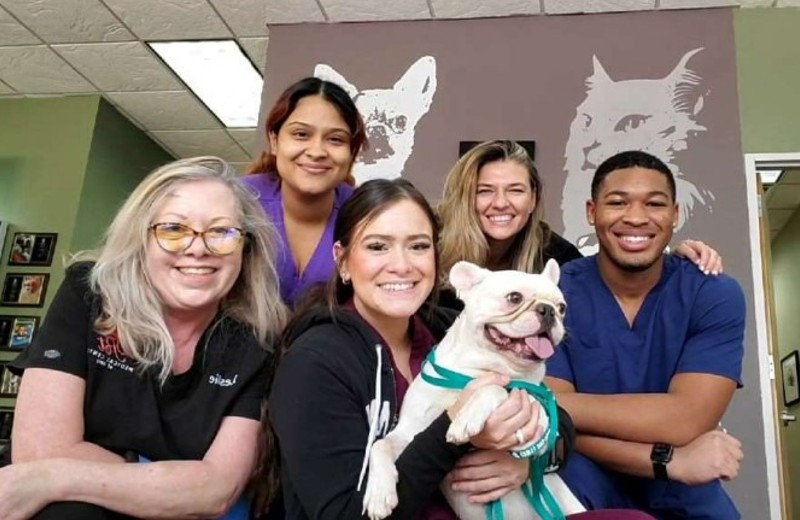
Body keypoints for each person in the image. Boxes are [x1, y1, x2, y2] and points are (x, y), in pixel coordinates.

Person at [269, 178, 654, 520]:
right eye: (378, 246)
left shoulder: (449, 325)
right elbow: (343, 513)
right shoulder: (316, 362)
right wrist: (458, 432)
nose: (401, 264)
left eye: (418, 246)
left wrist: (525, 460)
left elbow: (559, 422)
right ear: (343, 261)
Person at [0, 156, 288, 520]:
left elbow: (215, 490)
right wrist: (168, 482)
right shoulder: (88, 294)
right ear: (141, 239)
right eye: (173, 229)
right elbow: (39, 452)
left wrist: (59, 474)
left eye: (221, 232)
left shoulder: (257, 343)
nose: (198, 248)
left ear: (246, 248)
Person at [546, 150, 746, 518]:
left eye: (654, 204)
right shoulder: (556, 296)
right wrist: (669, 458)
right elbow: (551, 429)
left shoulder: (712, 293)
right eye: (617, 202)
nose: (636, 217)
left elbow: (687, 418)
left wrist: (553, 407)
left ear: (675, 214)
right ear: (592, 212)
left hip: (684, 489)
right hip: (583, 478)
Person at [436, 140, 722, 310]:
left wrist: (674, 259)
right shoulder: (430, 242)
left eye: (515, 190)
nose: (500, 203)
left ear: (533, 198)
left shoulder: (554, 254)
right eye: (484, 190)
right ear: (465, 196)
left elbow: (604, 278)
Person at [243, 76, 368, 306]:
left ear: (352, 151)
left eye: (335, 139)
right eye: (301, 134)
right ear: (274, 140)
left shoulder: (367, 214)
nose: (317, 151)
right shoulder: (237, 201)